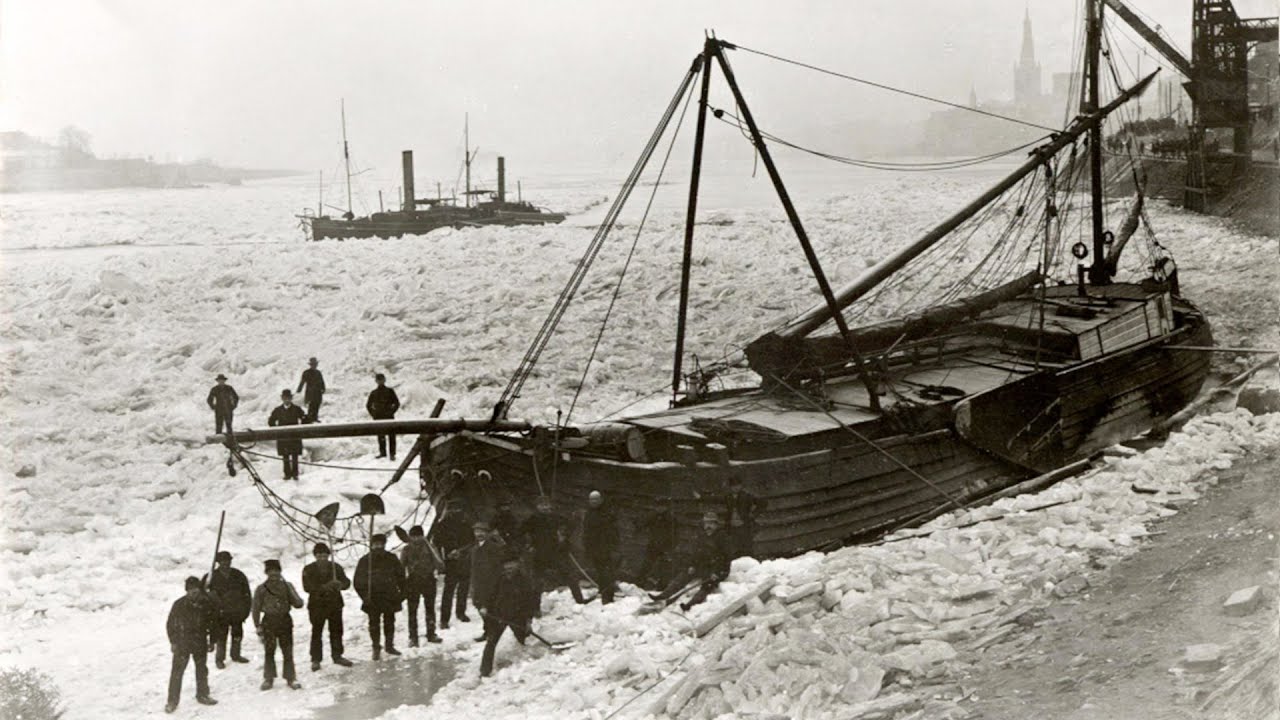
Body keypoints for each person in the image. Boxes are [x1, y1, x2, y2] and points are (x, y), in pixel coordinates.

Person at [649, 511, 732, 611]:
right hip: (704, 566)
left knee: (707, 585)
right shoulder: (702, 536)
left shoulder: (722, 537)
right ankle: (663, 595)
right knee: (684, 575)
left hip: (718, 569)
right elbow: (696, 553)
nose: (708, 526)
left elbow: (726, 558)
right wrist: (692, 565)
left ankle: (690, 604)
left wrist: (717, 572)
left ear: (716, 524)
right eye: (706, 523)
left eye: (711, 523)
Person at [521, 496, 585, 610]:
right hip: (540, 555)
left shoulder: (554, 517)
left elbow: (570, 525)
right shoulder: (532, 520)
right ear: (537, 507)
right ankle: (535, 609)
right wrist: (528, 544)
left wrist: (565, 535)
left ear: (550, 506)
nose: (545, 507)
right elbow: (520, 532)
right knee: (537, 583)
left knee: (570, 576)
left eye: (547, 505)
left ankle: (580, 601)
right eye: (542, 505)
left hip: (556, 553)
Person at [165, 576, 218, 713]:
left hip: (200, 641)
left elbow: (213, 623)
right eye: (190, 589)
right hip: (183, 642)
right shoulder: (179, 605)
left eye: (196, 589)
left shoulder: (206, 603)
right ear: (186, 591)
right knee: (177, 672)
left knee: (201, 670)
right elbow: (170, 625)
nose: (193, 592)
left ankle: (203, 695)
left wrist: (212, 640)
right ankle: (172, 701)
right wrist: (174, 642)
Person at [479, 554, 537, 678]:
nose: (508, 567)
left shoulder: (524, 580)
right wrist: (484, 606)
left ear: (518, 565)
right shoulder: (498, 578)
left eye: (512, 564)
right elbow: (489, 594)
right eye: (506, 565)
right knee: (491, 642)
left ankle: (526, 665)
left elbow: (530, 602)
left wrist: (528, 621)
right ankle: (484, 671)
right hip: (499, 615)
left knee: (523, 638)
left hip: (517, 615)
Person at [251, 559, 305, 691]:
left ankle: (290, 678)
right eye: (270, 571)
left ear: (280, 572)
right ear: (266, 573)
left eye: (276, 571)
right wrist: (257, 625)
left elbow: (298, 604)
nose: (273, 574)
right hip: (269, 621)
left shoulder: (287, 586)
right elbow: (255, 608)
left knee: (287, 651)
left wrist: (292, 593)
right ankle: (268, 678)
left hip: (285, 620)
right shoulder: (261, 589)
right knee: (269, 651)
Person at [300, 543, 354, 671]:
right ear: (315, 556)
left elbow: (347, 582)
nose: (322, 559)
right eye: (319, 556)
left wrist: (340, 584)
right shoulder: (308, 569)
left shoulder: (335, 567)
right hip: (317, 605)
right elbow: (307, 587)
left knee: (336, 630)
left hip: (334, 604)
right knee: (317, 631)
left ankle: (337, 655)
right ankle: (315, 659)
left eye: (325, 556)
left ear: (328, 555)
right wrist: (326, 587)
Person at [353, 533, 405, 660]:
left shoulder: (391, 558)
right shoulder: (365, 560)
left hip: (389, 595)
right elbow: (358, 581)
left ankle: (389, 645)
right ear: (371, 545)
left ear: (384, 544)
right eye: (375, 544)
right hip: (373, 597)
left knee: (390, 621)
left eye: (380, 544)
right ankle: (376, 647)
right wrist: (365, 596)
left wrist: (401, 593)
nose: (378, 546)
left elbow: (401, 576)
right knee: (374, 624)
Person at [203, 550, 252, 669]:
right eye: (222, 561)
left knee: (237, 634)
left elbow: (247, 594)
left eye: (228, 561)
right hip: (220, 614)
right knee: (221, 636)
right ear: (218, 562)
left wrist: (245, 611)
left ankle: (236, 655)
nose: (225, 563)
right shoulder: (210, 577)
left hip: (236, 612)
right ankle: (220, 659)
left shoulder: (238, 575)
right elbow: (203, 595)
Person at [430, 498, 473, 628]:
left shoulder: (466, 524)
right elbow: (435, 544)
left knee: (463, 589)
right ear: (449, 510)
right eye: (453, 509)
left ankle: (461, 612)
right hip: (451, 561)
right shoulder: (442, 525)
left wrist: (462, 551)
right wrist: (442, 560)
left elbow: (472, 542)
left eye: (458, 509)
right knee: (449, 591)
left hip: (464, 559)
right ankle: (444, 620)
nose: (456, 511)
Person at [401, 526, 443, 646]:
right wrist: (402, 584)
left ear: (422, 536)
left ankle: (431, 634)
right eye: (413, 536)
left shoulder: (430, 548)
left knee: (430, 609)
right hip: (413, 581)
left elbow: (440, 565)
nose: (415, 539)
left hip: (428, 580)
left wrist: (430, 547)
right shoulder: (406, 549)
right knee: (412, 611)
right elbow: (401, 567)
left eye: (418, 536)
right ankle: (413, 637)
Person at [468, 519, 506, 641]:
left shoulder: (493, 548)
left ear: (488, 533)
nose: (479, 534)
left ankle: (492, 633)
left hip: (489, 582)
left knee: (489, 608)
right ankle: (488, 631)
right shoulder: (474, 548)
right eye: (476, 531)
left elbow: (496, 566)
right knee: (480, 606)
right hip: (478, 582)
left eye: (482, 531)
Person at [582, 490, 618, 604]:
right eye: (591, 499)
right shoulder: (589, 513)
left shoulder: (607, 513)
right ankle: (602, 591)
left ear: (601, 500)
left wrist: (613, 547)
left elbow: (613, 532)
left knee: (606, 572)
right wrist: (587, 545)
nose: (593, 501)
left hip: (605, 547)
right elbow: (586, 531)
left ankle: (608, 597)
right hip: (594, 547)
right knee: (599, 570)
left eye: (596, 499)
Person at [634, 497, 679, 589]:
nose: (659, 508)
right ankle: (639, 583)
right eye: (658, 506)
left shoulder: (670, 518)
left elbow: (676, 534)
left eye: (662, 506)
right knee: (647, 564)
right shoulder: (653, 516)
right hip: (653, 544)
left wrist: (672, 546)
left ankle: (662, 586)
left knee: (664, 567)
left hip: (666, 545)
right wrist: (637, 523)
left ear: (666, 507)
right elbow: (642, 523)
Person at [721, 476, 766, 558]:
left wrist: (753, 515)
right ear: (730, 487)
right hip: (732, 526)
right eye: (733, 486)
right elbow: (716, 500)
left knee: (747, 547)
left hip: (744, 526)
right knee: (734, 548)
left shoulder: (747, 496)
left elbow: (763, 503)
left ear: (741, 486)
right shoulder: (728, 497)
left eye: (737, 485)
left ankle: (749, 565)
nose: (735, 488)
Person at [268, 389, 306, 480]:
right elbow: (271, 421)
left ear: (291, 398)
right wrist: (277, 430)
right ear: (282, 398)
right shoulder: (277, 410)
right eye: (285, 398)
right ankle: (287, 474)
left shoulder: (297, 409)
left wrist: (300, 428)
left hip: (294, 436)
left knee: (295, 455)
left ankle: (295, 474)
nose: (287, 400)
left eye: (288, 398)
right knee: (285, 456)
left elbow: (305, 419)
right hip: (283, 437)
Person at [366, 373, 401, 460]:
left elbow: (397, 403)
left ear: (384, 380)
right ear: (376, 381)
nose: (380, 381)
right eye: (378, 380)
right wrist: (374, 414)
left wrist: (391, 412)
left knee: (391, 436)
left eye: (381, 379)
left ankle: (392, 454)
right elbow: (368, 405)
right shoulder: (374, 393)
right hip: (379, 417)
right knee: (381, 436)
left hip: (389, 417)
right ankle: (383, 453)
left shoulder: (390, 391)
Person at [296, 357, 326, 423]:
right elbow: (302, 382)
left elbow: (322, 381)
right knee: (311, 406)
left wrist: (323, 388)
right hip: (310, 393)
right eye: (313, 364)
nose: (314, 366)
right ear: (310, 365)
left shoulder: (318, 373)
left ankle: (315, 418)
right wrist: (298, 390)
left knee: (317, 405)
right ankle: (310, 419)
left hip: (318, 393)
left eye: (315, 364)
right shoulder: (306, 373)